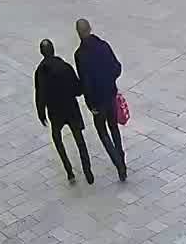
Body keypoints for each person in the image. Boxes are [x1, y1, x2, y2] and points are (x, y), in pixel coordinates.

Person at [34, 39, 94, 185]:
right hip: (70, 108)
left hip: (55, 112)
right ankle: (87, 171)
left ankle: (69, 171)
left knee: (57, 138)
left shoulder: (40, 72)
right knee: (79, 139)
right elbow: (78, 89)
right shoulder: (65, 67)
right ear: (53, 50)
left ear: (42, 53)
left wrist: (41, 113)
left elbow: (39, 95)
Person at [73, 18, 127, 181]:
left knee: (102, 131)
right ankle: (121, 157)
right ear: (90, 28)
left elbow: (85, 82)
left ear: (78, 33)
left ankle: (118, 163)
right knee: (113, 127)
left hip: (97, 101)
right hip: (110, 94)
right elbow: (117, 67)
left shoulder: (80, 55)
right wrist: (110, 81)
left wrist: (90, 103)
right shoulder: (103, 46)